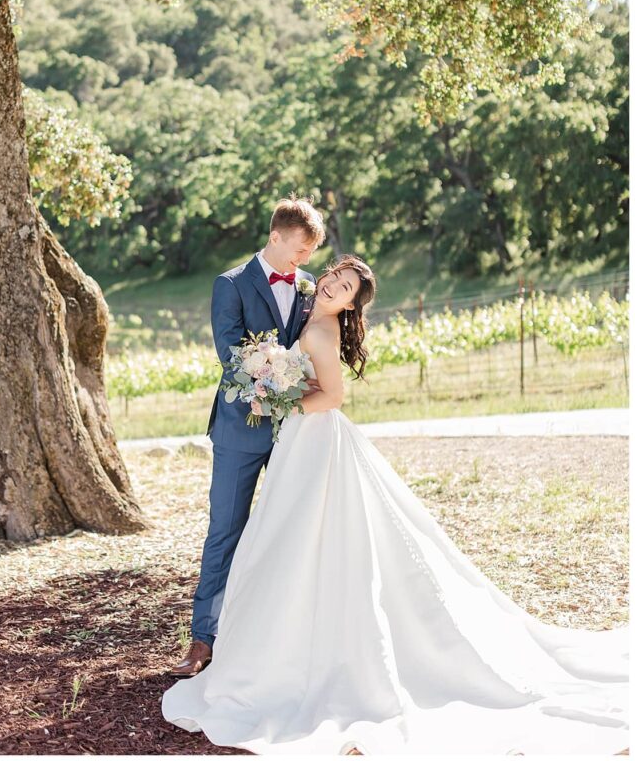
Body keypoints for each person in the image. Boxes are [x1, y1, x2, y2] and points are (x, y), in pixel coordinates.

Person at [162, 252, 629, 755]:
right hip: (300, 439)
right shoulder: (307, 311)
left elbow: (333, 396)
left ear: (348, 307)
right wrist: (275, 383)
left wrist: (282, 398)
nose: (332, 286)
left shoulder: (321, 330)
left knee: (305, 535)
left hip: (315, 436)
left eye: (342, 289)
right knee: (290, 536)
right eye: (334, 277)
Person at [169, 195, 325, 679]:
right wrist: (282, 376)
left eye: (310, 254)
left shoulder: (307, 288)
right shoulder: (230, 284)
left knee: (289, 534)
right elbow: (231, 354)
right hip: (240, 430)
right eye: (300, 249)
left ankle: (280, 640)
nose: (303, 261)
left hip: (296, 433)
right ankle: (203, 639)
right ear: (276, 235)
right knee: (225, 531)